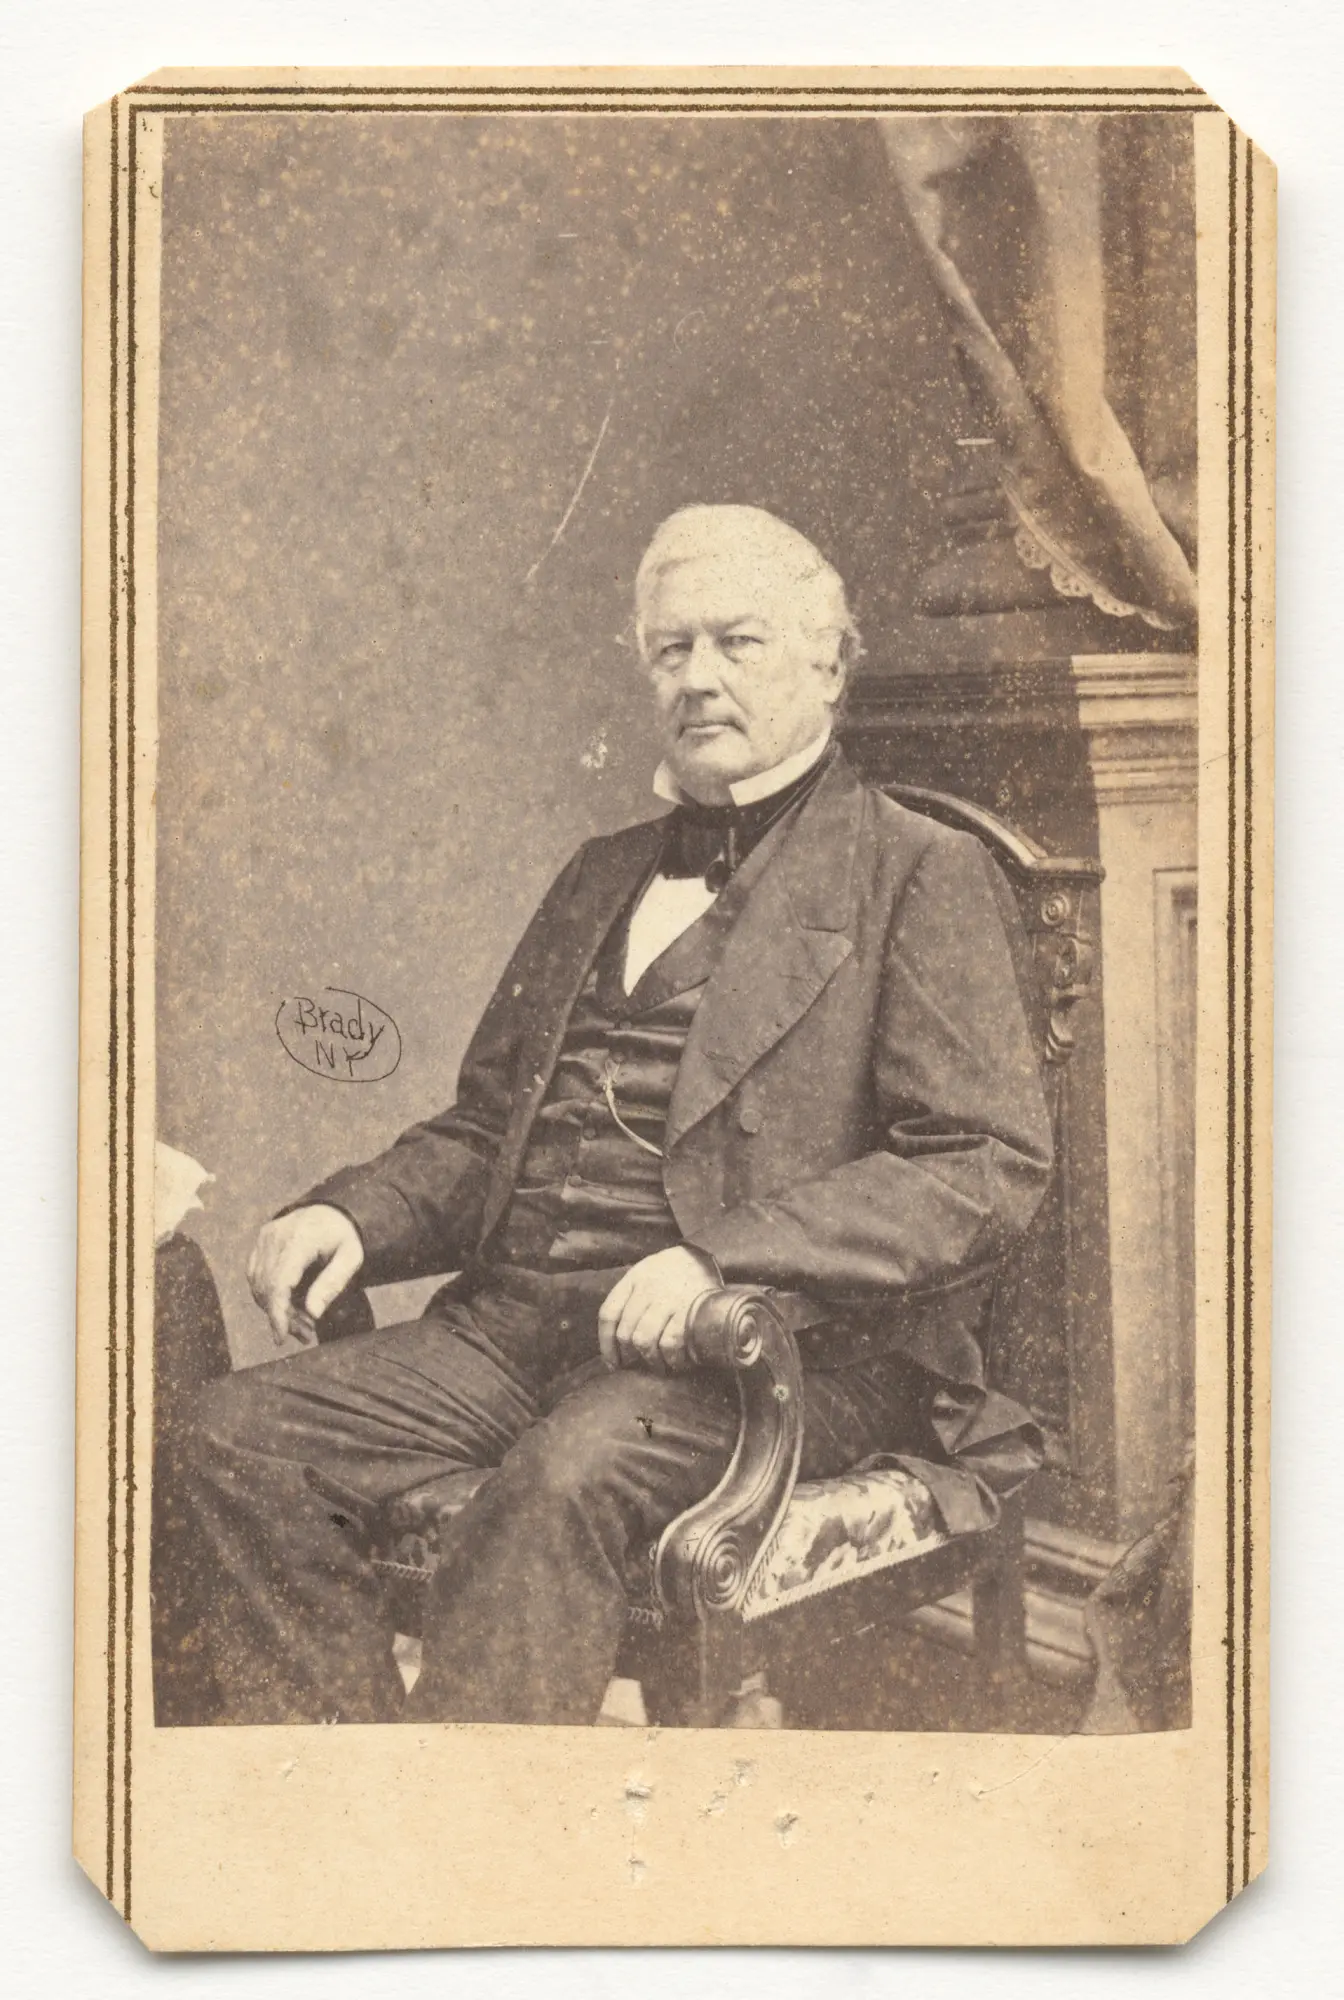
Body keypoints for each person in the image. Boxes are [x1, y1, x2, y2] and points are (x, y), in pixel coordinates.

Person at [182, 503, 1053, 1726]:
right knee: (236, 1434)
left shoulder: (916, 868)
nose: (698, 677)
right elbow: (488, 1126)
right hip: (516, 1330)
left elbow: (978, 1164)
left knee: (560, 1485)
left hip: (765, 1359)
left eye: (737, 642)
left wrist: (721, 1260)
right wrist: (356, 1214)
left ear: (829, 663)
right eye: (670, 649)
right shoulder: (602, 870)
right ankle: (355, 1790)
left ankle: (475, 1828)